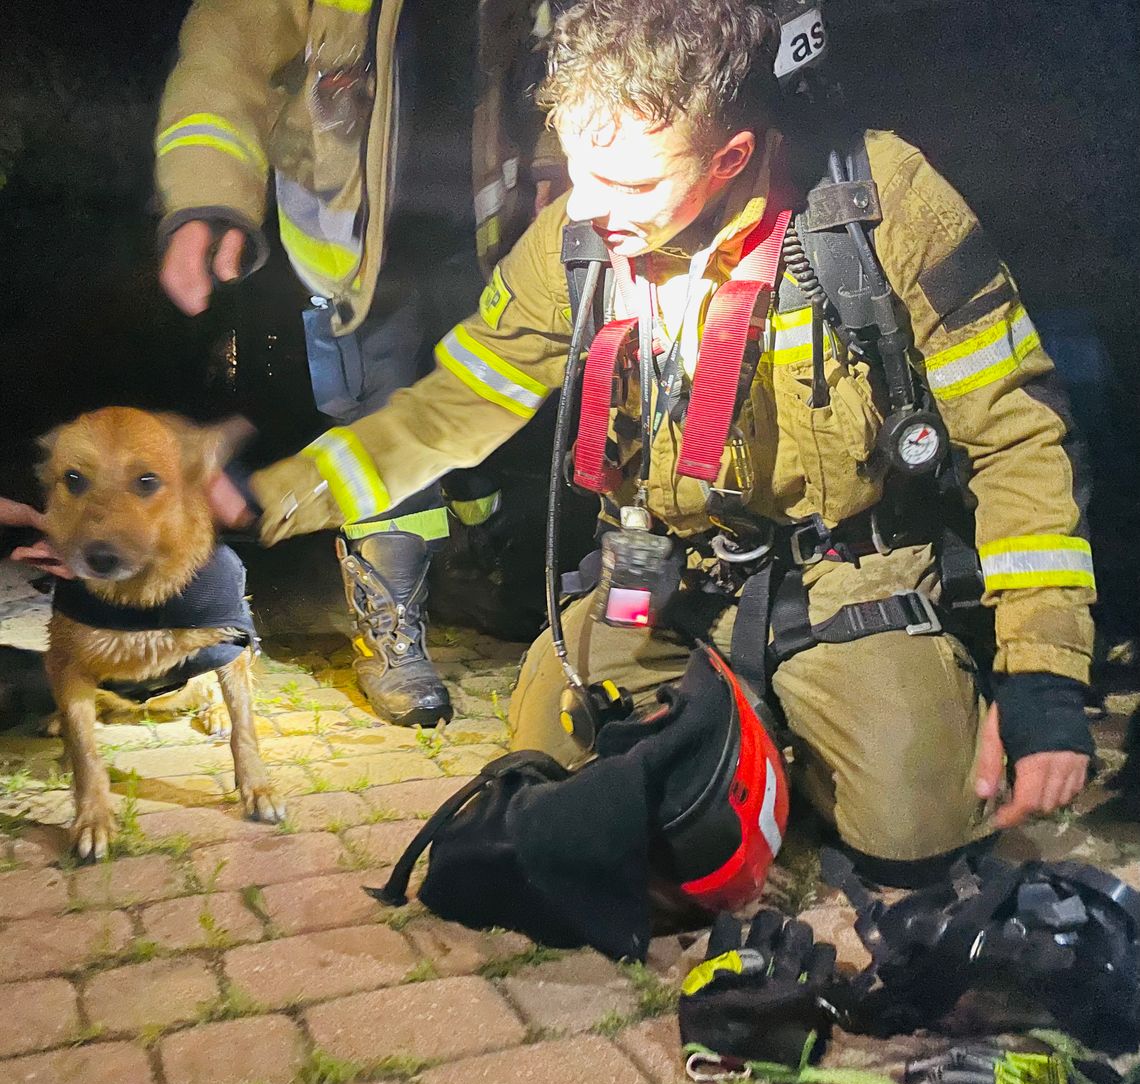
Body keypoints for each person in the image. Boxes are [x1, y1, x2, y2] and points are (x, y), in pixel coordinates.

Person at [220, 0, 1095, 882]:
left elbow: (1019, 435)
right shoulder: (584, 229)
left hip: (849, 578)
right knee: (549, 794)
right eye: (578, 171)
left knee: (918, 837)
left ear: (731, 157)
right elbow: (455, 406)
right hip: (664, 578)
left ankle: (813, 733)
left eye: (633, 185)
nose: (592, 211)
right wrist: (274, 494)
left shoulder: (881, 204)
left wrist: (1042, 678)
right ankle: (739, 739)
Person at [154, 0, 567, 726]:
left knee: (482, 419)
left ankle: (482, 572)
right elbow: (229, 49)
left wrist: (557, 164)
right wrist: (207, 191)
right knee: (383, 411)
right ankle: (393, 637)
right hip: (359, 242)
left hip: (489, 219)